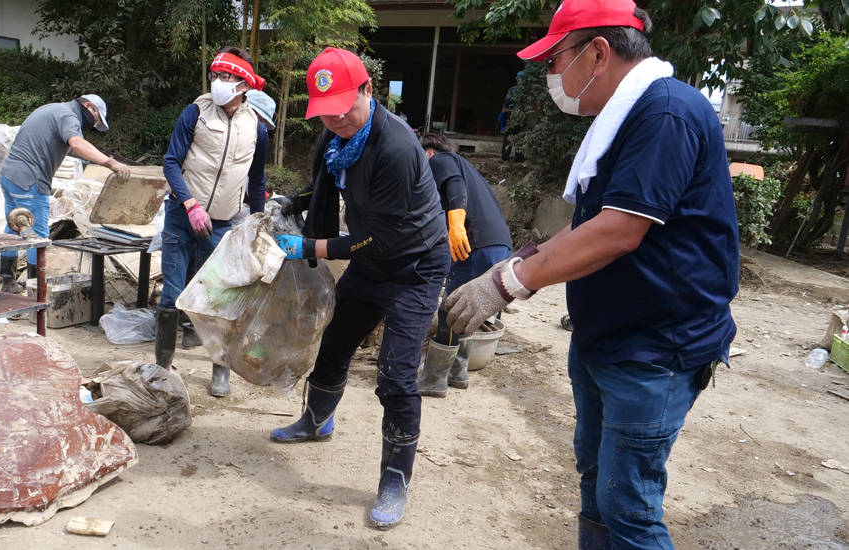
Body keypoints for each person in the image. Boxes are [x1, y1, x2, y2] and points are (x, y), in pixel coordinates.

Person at [444, 0, 738, 547]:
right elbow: (591, 222)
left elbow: (619, 232)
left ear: (597, 53)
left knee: (628, 507)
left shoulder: (665, 114)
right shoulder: (624, 116)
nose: (550, 75)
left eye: (554, 60)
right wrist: (520, 260)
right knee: (597, 486)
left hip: (655, 348)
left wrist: (510, 282)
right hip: (607, 340)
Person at [269, 47, 449, 530]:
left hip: (414, 265)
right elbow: (333, 184)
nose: (338, 119)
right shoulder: (336, 142)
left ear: (369, 90)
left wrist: (311, 246)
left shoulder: (395, 147)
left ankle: (394, 478)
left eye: (346, 107)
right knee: (334, 343)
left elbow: (382, 238)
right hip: (372, 262)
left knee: (394, 374)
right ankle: (316, 421)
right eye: (326, 113)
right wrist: (297, 199)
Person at [158, 46, 269, 397]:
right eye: (215, 76)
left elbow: (257, 181)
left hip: (221, 224)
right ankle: (160, 368)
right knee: (172, 295)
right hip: (181, 217)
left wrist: (255, 221)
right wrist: (190, 203)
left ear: (244, 85)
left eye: (226, 77)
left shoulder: (256, 128)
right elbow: (172, 162)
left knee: (220, 301)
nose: (218, 83)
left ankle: (221, 371)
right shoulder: (195, 112)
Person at [0, 94, 130, 293]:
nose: (94, 125)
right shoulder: (68, 116)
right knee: (37, 236)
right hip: (30, 180)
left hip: (10, 175)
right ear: (89, 107)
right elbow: (77, 144)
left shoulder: (53, 108)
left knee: (14, 227)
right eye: (96, 119)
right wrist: (111, 163)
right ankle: (37, 292)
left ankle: (8, 282)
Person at [415, 133, 512, 397]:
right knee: (469, 306)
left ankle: (434, 379)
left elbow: (454, 186)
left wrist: (456, 226)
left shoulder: (440, 160)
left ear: (429, 152)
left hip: (475, 243)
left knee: (452, 307)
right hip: (500, 245)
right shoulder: (468, 168)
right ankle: (458, 372)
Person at [499, 71, 524, 162]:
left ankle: (505, 157)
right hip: (523, 116)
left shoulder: (512, 90)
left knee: (509, 136)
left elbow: (506, 103)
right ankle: (519, 157)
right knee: (520, 137)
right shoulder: (528, 91)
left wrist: (502, 115)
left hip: (511, 116)